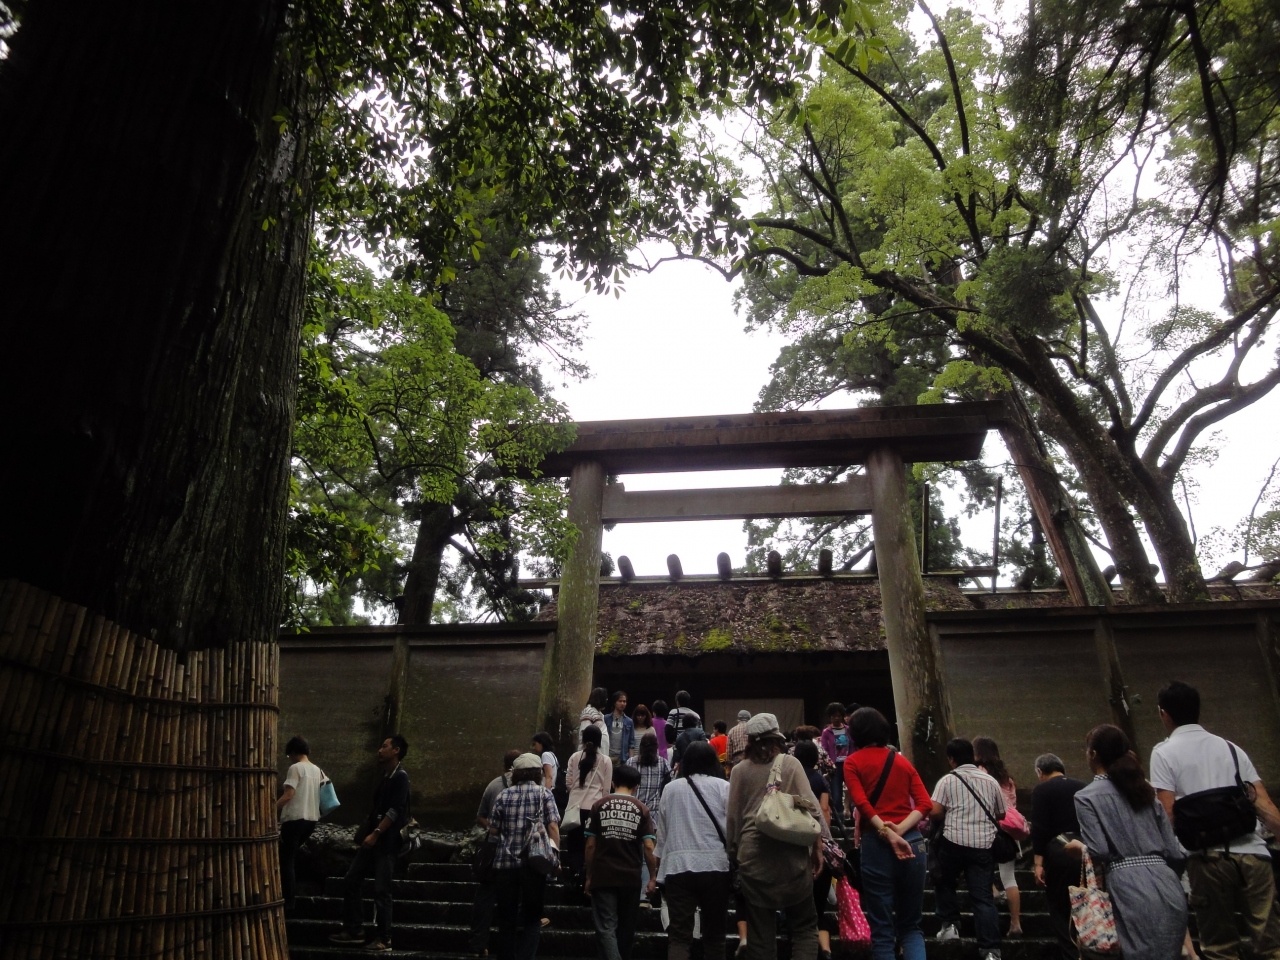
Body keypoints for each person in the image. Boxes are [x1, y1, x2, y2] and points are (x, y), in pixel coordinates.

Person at [1149, 681, 1280, 960]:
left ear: (1164, 714)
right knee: (1270, 945)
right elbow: (1264, 804)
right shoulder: (1231, 749)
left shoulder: (1163, 752)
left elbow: (1168, 812)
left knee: (1220, 948)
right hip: (1253, 855)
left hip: (1206, 858)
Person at [1073, 724, 1186, 960]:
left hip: (1126, 883)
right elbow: (1175, 852)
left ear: (1093, 754)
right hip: (1167, 881)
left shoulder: (1086, 797)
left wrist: (1078, 847)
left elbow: (1099, 849)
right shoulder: (1146, 792)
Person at [727, 712, 828, 960]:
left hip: (754, 860)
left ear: (750, 740)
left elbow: (733, 819)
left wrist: (734, 854)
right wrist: (818, 848)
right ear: (777, 737)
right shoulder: (790, 764)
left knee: (761, 937)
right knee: (804, 927)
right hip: (791, 858)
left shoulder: (739, 771)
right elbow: (813, 809)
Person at [843, 707, 929, 960]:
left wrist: (888, 833)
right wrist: (901, 829)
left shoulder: (853, 762)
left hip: (878, 844)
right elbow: (925, 803)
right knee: (911, 926)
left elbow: (862, 804)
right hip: (913, 841)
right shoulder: (901, 761)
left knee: (882, 929)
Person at [330, 734, 411, 952]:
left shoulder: (400, 778)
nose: (380, 750)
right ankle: (355, 929)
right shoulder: (386, 776)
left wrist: (375, 833)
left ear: (396, 750)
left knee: (382, 890)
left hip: (386, 843)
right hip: (374, 843)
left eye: (384, 746)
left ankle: (385, 938)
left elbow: (395, 810)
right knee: (351, 879)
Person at [929, 737, 1004, 960]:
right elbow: (1001, 813)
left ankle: (950, 925)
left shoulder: (947, 781)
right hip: (983, 845)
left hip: (953, 841)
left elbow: (934, 812)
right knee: (982, 897)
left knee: (944, 882)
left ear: (951, 759)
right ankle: (991, 949)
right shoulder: (989, 780)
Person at [656, 741, 732, 960]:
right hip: (716, 866)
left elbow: (663, 834)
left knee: (679, 936)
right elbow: (731, 830)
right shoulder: (723, 787)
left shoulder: (670, 789)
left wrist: (656, 872)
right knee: (715, 935)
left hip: (678, 867)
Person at [489, 753, 561, 960]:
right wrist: (556, 858)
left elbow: (493, 829)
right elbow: (553, 826)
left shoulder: (504, 795)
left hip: (505, 863)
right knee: (532, 918)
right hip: (534, 863)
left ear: (516, 774)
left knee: (506, 918)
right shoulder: (544, 794)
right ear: (538, 773)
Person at [584, 764, 658, 960]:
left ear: (613, 783)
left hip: (604, 875)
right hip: (631, 878)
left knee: (606, 927)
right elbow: (649, 847)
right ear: (636, 787)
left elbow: (590, 845)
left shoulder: (599, 805)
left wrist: (589, 875)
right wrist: (652, 877)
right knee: (626, 930)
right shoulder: (642, 809)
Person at [1029, 753, 1085, 960]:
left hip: (1060, 852)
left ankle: (1071, 954)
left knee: (1060, 907)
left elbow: (1040, 829)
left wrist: (1038, 863)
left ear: (1040, 772)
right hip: (1085, 850)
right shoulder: (1083, 786)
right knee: (1086, 903)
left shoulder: (1042, 790)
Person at [471, 750, 522, 957]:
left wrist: (493, 826)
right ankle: (506, 947)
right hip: (513, 852)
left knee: (484, 898)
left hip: (493, 848)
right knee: (510, 900)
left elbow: (480, 817)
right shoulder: (523, 787)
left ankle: (477, 944)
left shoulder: (493, 785)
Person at [973, 736, 1022, 937]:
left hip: (988, 827)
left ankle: (993, 891)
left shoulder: (979, 774)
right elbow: (1013, 805)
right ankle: (1016, 923)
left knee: (979, 867)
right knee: (1009, 877)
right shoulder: (1007, 778)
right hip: (1009, 831)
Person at [795, 741, 837, 960]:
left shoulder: (790, 778)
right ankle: (825, 950)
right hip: (817, 839)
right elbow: (824, 809)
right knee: (817, 908)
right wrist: (824, 837)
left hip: (795, 843)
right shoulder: (819, 779)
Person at [277, 735, 324, 911]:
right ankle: (289, 898)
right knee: (289, 856)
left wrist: (271, 809)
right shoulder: (317, 770)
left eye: (289, 755)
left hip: (295, 818)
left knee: (286, 860)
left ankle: (289, 901)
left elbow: (289, 794)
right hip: (311, 820)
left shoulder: (296, 768)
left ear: (293, 752)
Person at [564, 725, 614, 887]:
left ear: (584, 740)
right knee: (593, 844)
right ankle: (589, 876)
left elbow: (569, 783)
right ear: (600, 741)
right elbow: (606, 790)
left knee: (574, 844)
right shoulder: (606, 761)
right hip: (595, 809)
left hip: (576, 808)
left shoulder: (574, 757)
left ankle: (575, 874)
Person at [628, 731, 671, 905]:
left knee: (634, 853)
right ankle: (645, 893)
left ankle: (633, 891)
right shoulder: (663, 764)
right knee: (650, 853)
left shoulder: (631, 762)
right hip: (653, 815)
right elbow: (668, 788)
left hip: (633, 813)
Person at [819, 703, 851, 820]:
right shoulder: (826, 732)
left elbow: (853, 745)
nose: (836, 718)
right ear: (830, 717)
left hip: (848, 764)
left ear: (842, 716)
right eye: (833, 716)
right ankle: (840, 817)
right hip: (835, 766)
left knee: (851, 790)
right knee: (836, 793)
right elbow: (824, 749)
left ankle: (851, 813)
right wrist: (829, 764)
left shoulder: (849, 730)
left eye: (838, 716)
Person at [581, 687, 612, 755]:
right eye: (605, 698)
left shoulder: (600, 714)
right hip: (592, 754)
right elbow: (586, 732)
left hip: (601, 753)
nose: (606, 700)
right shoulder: (588, 711)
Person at [607, 690, 635, 766]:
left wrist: (630, 760)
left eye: (624, 701)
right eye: (620, 701)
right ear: (615, 702)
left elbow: (631, 743)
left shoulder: (629, 721)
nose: (623, 703)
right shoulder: (606, 718)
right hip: (608, 756)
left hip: (622, 758)